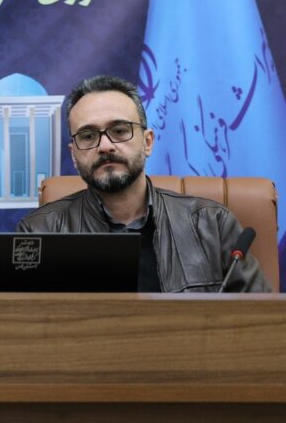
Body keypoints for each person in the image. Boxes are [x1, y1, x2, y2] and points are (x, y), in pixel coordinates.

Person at [18, 75, 270, 292]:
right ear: (74, 155)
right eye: (88, 136)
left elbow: (262, 321)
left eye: (119, 130)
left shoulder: (212, 224)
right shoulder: (39, 232)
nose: (105, 146)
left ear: (147, 142)